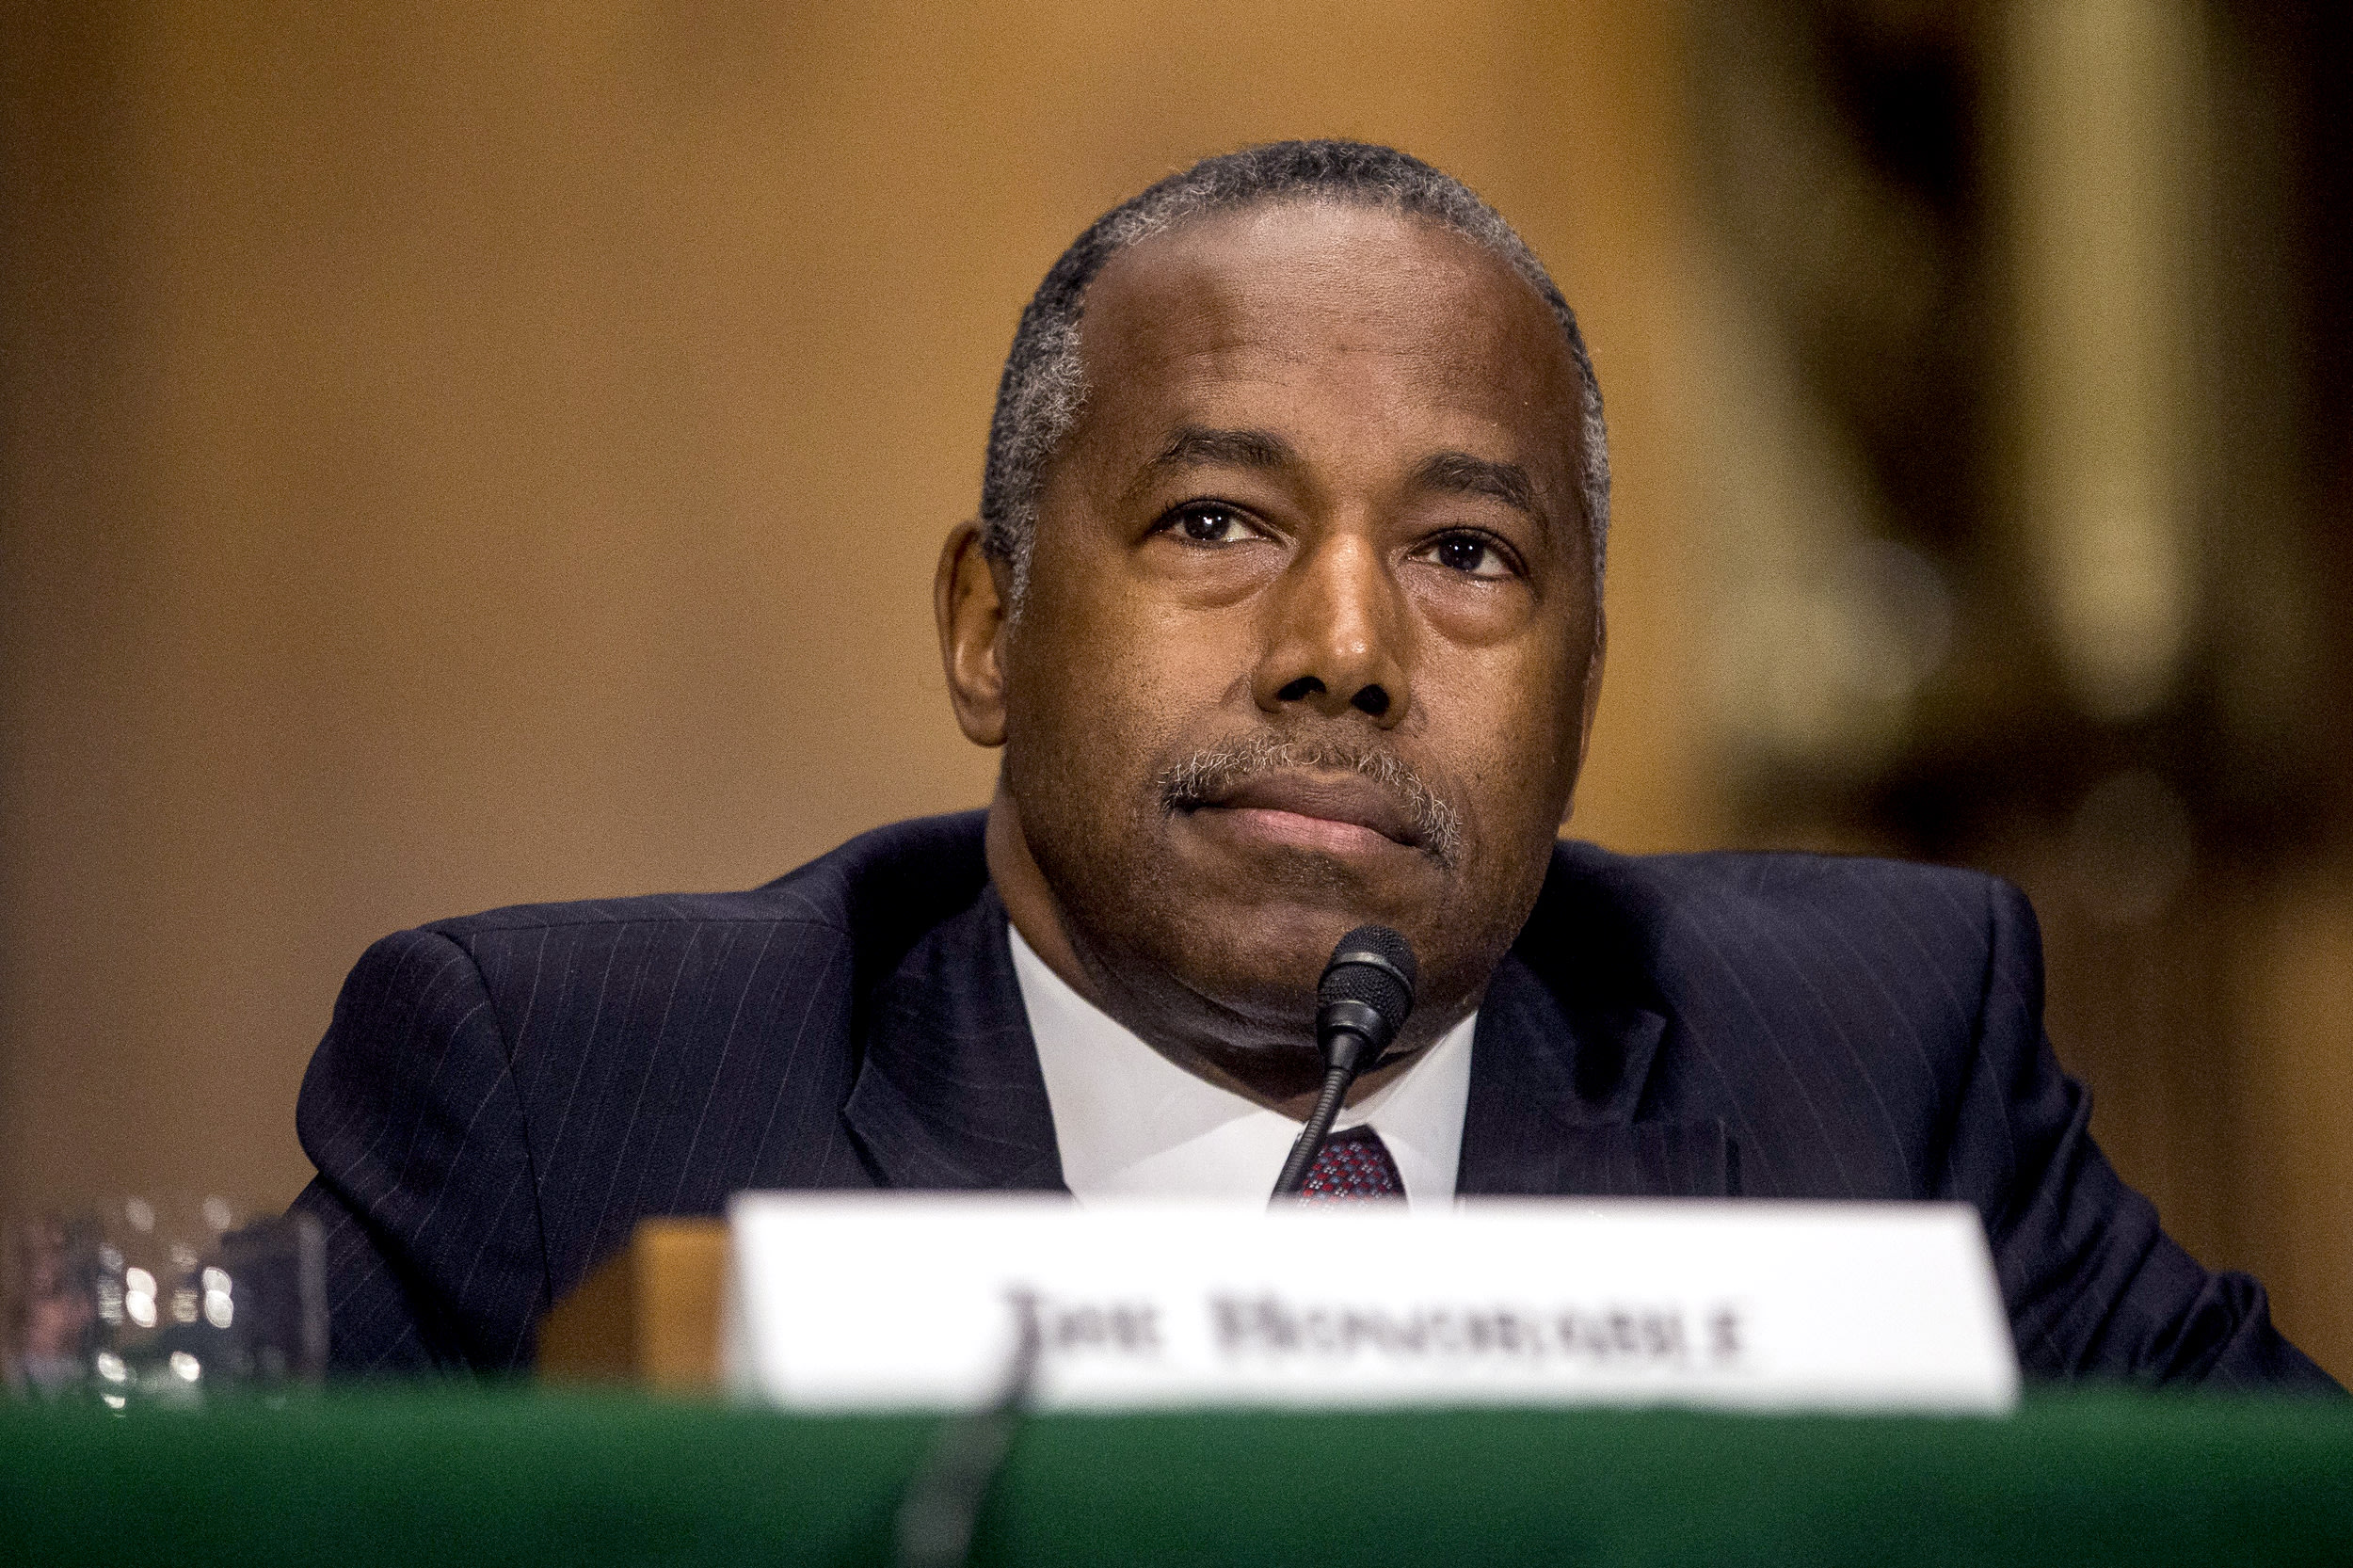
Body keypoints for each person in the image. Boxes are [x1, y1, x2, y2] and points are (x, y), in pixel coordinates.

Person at [292, 140, 2336, 1387]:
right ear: (985, 626)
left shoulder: (1875, 1067)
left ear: (1580, 690)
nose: (1343, 652)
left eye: (1464, 555)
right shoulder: (572, 1095)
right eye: (1214, 523)